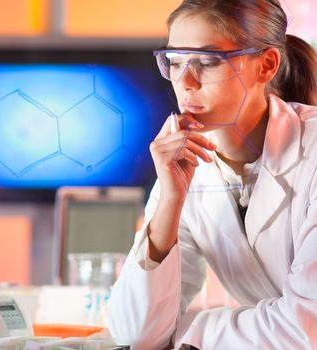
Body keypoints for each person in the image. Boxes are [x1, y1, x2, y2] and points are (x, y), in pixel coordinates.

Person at [107, 0, 317, 349]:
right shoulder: (186, 168)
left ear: (266, 65)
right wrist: (170, 202)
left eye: (206, 62)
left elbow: (305, 328)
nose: (186, 82)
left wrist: (189, 331)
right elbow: (136, 332)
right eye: (174, 62)